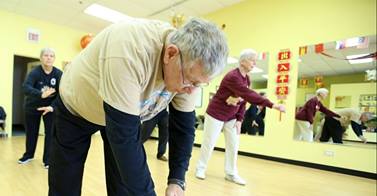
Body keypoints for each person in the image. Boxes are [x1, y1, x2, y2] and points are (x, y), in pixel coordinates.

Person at [46, 17, 228, 196]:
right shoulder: (130, 48)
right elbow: (124, 137)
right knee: (65, 184)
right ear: (170, 54)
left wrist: (177, 180)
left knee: (124, 185)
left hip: (122, 114)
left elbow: (183, 128)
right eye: (191, 82)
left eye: (199, 84)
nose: (191, 91)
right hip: (76, 108)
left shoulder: (188, 71)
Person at [195, 49, 285, 186]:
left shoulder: (247, 78)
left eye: (255, 61)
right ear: (242, 61)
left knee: (233, 145)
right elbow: (249, 94)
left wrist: (239, 119)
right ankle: (200, 169)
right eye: (252, 60)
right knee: (209, 143)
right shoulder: (233, 77)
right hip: (216, 114)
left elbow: (244, 100)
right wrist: (272, 105)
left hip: (231, 116)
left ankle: (231, 173)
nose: (254, 63)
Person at [18, 48, 62, 169]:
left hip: (49, 107)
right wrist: (41, 94)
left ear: (54, 59)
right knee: (31, 132)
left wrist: (52, 107)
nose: (49, 58)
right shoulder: (35, 72)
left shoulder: (58, 74)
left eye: (51, 56)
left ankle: (47, 160)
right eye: (46, 55)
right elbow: (25, 87)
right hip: (33, 107)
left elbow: (62, 94)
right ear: (41, 58)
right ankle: (28, 155)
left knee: (50, 134)